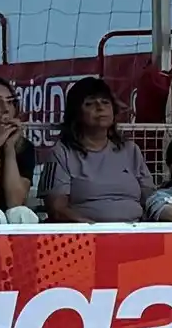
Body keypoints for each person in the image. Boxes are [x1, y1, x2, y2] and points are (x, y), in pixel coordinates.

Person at [38, 76, 155, 223]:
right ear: (76, 113)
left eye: (105, 102)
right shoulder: (62, 153)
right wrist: (91, 228)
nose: (100, 107)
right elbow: (57, 209)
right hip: (85, 233)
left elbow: (150, 199)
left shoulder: (131, 150)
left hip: (135, 230)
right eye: (90, 104)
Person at [0, 75, 38, 224]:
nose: (5, 109)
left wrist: (9, 148)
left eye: (10, 102)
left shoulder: (24, 147)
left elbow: (16, 203)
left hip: (6, 224)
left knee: (22, 213)